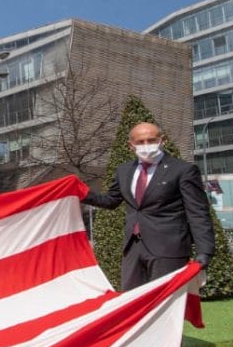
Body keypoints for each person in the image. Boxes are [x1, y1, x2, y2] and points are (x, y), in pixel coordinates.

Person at [82, 121, 214, 291]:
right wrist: (81, 193)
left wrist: (205, 251)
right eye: (140, 142)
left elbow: (198, 212)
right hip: (133, 248)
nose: (146, 145)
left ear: (162, 140)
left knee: (164, 303)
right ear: (131, 145)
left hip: (168, 248)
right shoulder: (124, 170)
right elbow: (111, 200)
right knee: (132, 302)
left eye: (151, 140)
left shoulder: (183, 170)